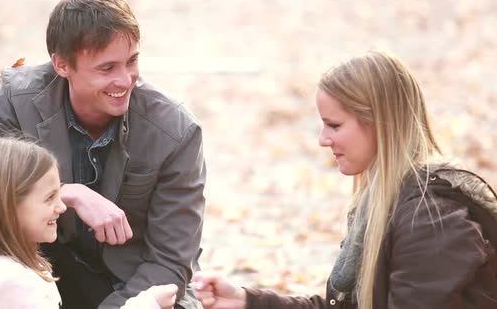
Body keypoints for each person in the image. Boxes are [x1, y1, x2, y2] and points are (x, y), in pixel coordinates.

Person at [0, 0, 205, 309]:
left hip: (136, 288)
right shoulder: (17, 99)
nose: (125, 80)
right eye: (107, 68)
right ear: (62, 65)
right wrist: (66, 193)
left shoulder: (176, 131)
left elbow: (170, 263)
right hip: (39, 283)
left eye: (132, 61)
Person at [193, 50, 497, 309]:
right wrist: (247, 301)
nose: (323, 140)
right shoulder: (384, 200)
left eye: (334, 125)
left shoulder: (432, 219)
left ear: (381, 124)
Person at [0, 137, 179, 309]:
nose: (62, 207)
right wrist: (146, 305)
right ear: (7, 208)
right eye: (49, 198)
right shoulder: (14, 281)